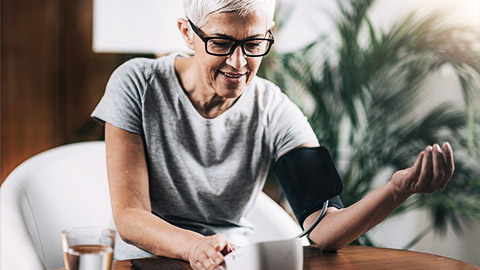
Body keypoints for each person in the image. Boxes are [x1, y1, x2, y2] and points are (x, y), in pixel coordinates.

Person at [91, 0, 455, 269]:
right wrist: (193, 247)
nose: (238, 64)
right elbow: (130, 216)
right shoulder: (137, 83)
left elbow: (323, 228)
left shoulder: (274, 110)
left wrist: (396, 190)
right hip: (140, 262)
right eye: (220, 43)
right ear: (188, 33)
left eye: (253, 45)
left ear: (269, 35)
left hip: (228, 263)